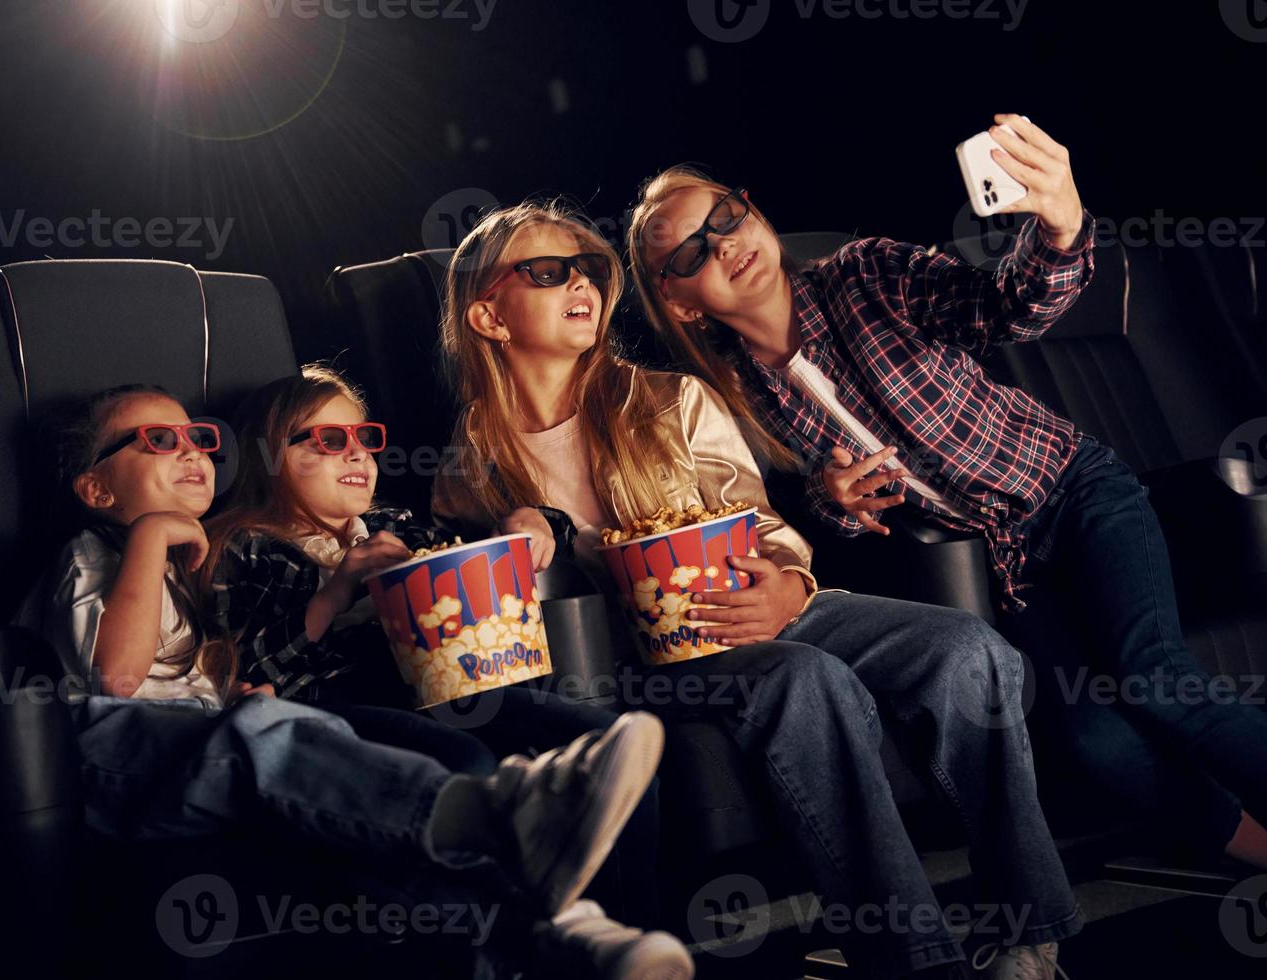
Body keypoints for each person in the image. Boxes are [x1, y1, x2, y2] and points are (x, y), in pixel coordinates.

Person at [431, 200, 1082, 980]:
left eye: (594, 269)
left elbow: (761, 522)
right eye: (546, 271)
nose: (582, 283)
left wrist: (788, 580)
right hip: (650, 658)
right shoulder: (472, 462)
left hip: (769, 603)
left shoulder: (671, 399)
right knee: (804, 679)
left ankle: (1031, 934)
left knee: (971, 649)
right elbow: (478, 615)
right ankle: (913, 960)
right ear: (488, 316)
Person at [623, 118, 1267, 877]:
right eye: (693, 250)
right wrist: (835, 501)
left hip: (1077, 492)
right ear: (681, 302)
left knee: (1153, 677)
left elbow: (1004, 308)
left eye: (725, 217)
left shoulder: (863, 274)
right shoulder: (733, 396)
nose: (725, 243)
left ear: (753, 210)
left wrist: (1058, 230)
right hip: (1006, 565)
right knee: (1092, 741)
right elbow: (819, 522)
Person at [12, 381, 689, 979]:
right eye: (159, 440)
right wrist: (154, 536)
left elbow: (206, 672)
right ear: (98, 489)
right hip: (103, 762)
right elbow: (117, 681)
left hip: (204, 750)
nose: (192, 451)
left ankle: (571, 935)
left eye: (199, 437)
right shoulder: (98, 555)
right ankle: (493, 816)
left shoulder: (183, 565)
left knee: (344, 807)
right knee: (288, 734)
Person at [202, 365, 662, 925]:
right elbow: (246, 671)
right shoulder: (245, 544)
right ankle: (519, 939)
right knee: (467, 764)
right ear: (268, 456)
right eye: (328, 440)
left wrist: (532, 520)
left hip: (451, 686)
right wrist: (336, 592)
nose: (357, 455)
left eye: (364, 439)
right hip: (340, 703)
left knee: (597, 742)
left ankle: (620, 932)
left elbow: (481, 554)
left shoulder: (395, 526)